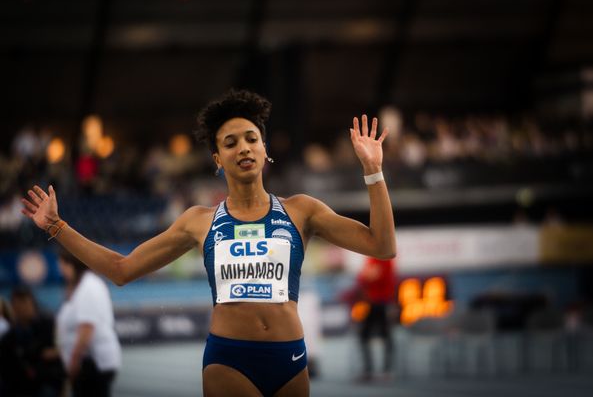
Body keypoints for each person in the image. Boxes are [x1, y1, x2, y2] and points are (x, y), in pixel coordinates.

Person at [20, 89, 396, 396]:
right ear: (218, 159)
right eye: (231, 143)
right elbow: (122, 270)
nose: (244, 148)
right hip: (229, 361)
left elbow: (382, 246)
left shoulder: (302, 211)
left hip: (291, 359)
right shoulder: (199, 221)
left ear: (266, 150)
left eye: (252, 139)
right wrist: (57, 227)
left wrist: (373, 171)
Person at [55, 248, 121, 397]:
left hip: (93, 362)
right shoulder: (81, 286)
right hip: (89, 362)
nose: (61, 271)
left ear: (71, 264)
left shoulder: (89, 286)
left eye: (62, 266)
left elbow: (87, 327)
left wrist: (74, 360)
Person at [0, 286, 65, 397]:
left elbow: (57, 352)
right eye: (16, 306)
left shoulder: (47, 323)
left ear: (32, 304)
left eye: (23, 304)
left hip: (46, 381)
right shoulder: (11, 335)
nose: (20, 309)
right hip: (19, 385)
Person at [355, 257, 396, 381]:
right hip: (372, 303)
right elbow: (362, 278)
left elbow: (370, 277)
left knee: (386, 336)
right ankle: (369, 370)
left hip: (382, 302)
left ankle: (386, 370)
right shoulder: (372, 259)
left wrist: (367, 275)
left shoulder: (384, 258)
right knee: (364, 336)